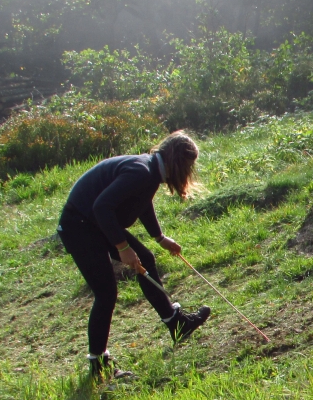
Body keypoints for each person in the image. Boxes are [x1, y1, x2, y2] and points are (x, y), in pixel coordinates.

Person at [56, 131, 211, 380]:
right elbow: (101, 207)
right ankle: (98, 365)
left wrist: (160, 238)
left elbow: (141, 201)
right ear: (179, 162)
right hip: (80, 227)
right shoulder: (142, 172)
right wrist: (122, 247)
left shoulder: (149, 172)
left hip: (93, 223)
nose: (189, 174)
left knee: (146, 260)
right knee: (106, 293)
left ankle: (176, 323)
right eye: (189, 167)